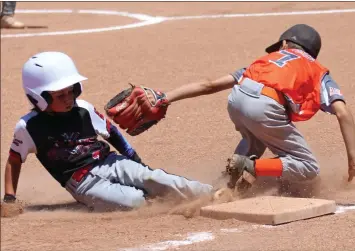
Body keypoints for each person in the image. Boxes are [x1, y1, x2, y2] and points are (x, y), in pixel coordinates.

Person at [160, 24, 355, 192]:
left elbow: (210, 85)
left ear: (286, 44)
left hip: (237, 99)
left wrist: (165, 98)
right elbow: (343, 112)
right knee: (308, 167)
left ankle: (227, 184)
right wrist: (353, 163)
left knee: (256, 140)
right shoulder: (316, 70)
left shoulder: (266, 60)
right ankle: (251, 167)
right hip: (264, 107)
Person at [2, 51, 215, 212]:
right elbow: (14, 160)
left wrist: (134, 160)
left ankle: (214, 195)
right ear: (38, 97)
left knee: (153, 178)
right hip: (82, 182)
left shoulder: (83, 109)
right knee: (134, 202)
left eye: (72, 91)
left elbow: (112, 133)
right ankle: (160, 201)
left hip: (110, 162)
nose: (69, 98)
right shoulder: (28, 127)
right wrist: (9, 198)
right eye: (60, 95)